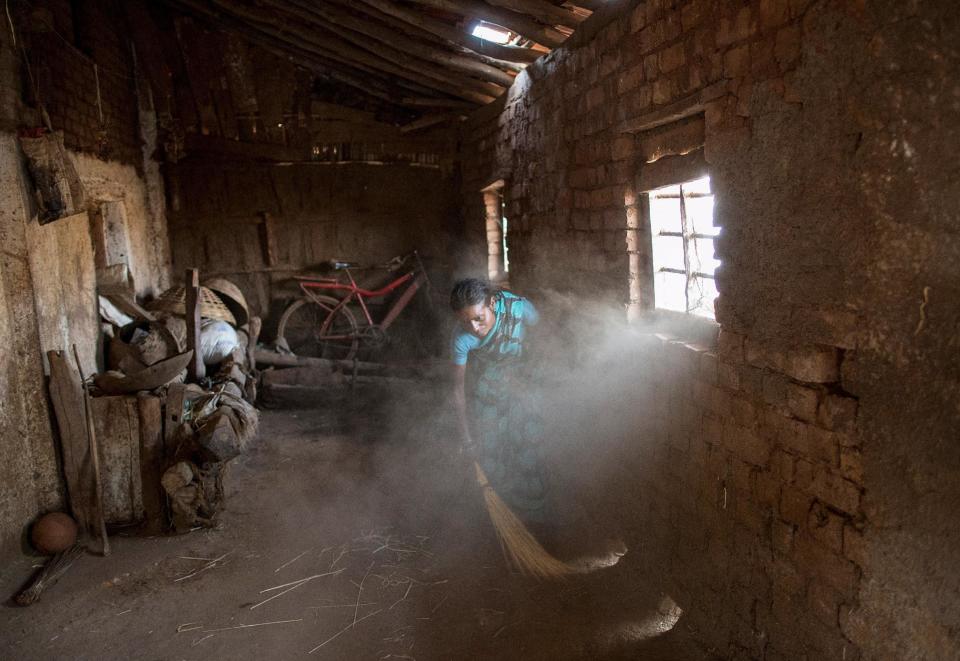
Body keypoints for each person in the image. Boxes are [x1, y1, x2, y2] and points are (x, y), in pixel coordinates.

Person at [449, 278, 547, 524]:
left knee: (527, 445)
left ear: (492, 304)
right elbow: (457, 391)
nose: (473, 327)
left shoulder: (518, 308)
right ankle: (508, 514)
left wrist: (530, 375)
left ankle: (538, 513)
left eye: (478, 318)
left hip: (526, 376)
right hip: (491, 385)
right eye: (465, 321)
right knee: (491, 448)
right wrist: (466, 437)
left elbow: (546, 338)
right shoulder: (461, 339)